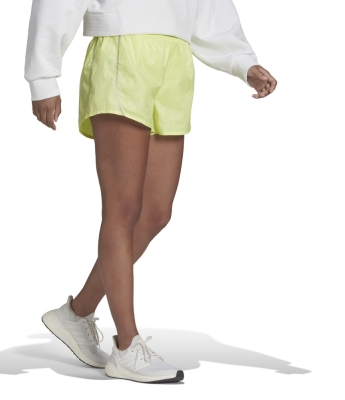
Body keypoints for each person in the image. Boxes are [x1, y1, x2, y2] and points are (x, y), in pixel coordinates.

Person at [24, 0, 277, 384]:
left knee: (156, 213)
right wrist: (43, 76)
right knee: (122, 209)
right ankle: (127, 347)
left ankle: (76, 314)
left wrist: (243, 62)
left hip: (175, 59)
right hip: (122, 52)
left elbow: (209, 7)